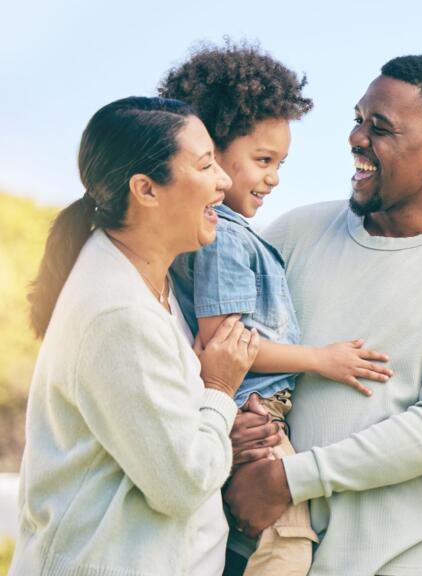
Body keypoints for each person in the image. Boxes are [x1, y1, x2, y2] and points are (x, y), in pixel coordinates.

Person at [222, 55, 422, 576]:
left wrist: (289, 479)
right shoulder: (295, 231)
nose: (356, 138)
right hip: (253, 552)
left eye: (379, 127)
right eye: (358, 119)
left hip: (387, 562)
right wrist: (225, 427)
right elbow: (221, 350)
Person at [160, 42, 393, 576]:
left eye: (280, 163)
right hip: (251, 418)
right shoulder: (223, 238)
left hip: (250, 419)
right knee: (285, 548)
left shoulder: (235, 234)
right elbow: (226, 347)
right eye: (263, 161)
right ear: (209, 154)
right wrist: (322, 360)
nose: (274, 178)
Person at [13, 96, 257, 575]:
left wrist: (221, 423)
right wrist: (220, 391)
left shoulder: (152, 284)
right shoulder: (118, 311)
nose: (224, 181)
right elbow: (183, 483)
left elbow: (161, 433)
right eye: (206, 165)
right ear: (146, 189)